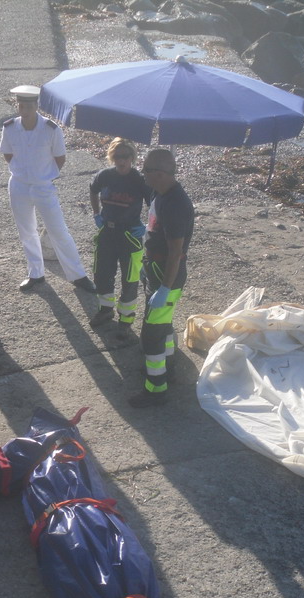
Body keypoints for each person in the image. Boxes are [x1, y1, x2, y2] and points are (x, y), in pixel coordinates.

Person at [0, 84, 95, 293]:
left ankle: (78, 275)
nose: (24, 111)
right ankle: (36, 273)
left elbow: (60, 158)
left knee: (58, 231)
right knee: (27, 231)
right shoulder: (10, 127)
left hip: (43, 186)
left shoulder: (51, 129)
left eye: (28, 107)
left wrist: (44, 175)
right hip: (19, 185)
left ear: (36, 106)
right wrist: (21, 171)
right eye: (21, 106)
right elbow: (7, 154)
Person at [129, 149, 194, 409]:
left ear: (161, 173)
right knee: (163, 325)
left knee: (151, 336)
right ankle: (168, 366)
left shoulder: (176, 205)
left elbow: (176, 252)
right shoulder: (159, 193)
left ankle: (156, 389)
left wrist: (165, 288)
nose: (142, 174)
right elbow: (155, 226)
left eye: (146, 170)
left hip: (167, 276)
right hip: (154, 268)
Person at [88, 138, 151, 338]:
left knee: (130, 279)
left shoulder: (139, 180)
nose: (121, 160)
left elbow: (155, 204)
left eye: (125, 156)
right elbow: (93, 190)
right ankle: (106, 310)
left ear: (132, 157)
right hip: (107, 232)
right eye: (117, 156)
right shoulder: (105, 176)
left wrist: (147, 226)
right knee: (102, 273)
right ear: (111, 157)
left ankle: (126, 319)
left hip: (130, 235)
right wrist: (96, 213)